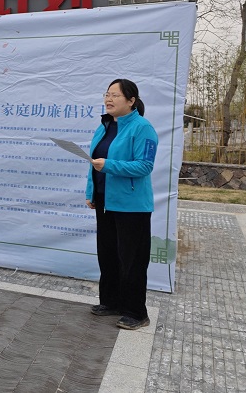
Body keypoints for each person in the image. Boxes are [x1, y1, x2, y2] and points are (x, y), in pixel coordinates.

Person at [86, 78, 158, 331]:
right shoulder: (105, 126)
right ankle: (111, 302)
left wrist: (109, 165)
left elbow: (144, 166)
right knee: (108, 255)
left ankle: (136, 313)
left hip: (132, 206)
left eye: (115, 95)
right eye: (107, 94)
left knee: (132, 260)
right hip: (105, 202)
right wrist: (92, 192)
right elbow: (93, 163)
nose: (108, 99)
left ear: (131, 101)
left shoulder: (142, 128)